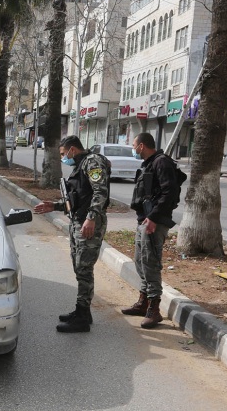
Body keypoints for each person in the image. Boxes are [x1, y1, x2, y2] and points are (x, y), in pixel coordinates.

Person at [33, 135, 110, 333]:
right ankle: (82, 311)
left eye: (63, 154)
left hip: (89, 224)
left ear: (72, 149)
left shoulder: (93, 162)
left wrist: (91, 218)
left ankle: (82, 318)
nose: (63, 158)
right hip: (79, 222)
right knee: (79, 267)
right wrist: (55, 206)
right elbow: (79, 198)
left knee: (84, 268)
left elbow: (100, 192)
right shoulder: (80, 165)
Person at [122, 132, 180, 329]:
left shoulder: (161, 162)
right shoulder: (149, 163)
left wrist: (154, 218)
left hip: (154, 221)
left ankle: (154, 310)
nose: (133, 149)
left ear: (142, 146)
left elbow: (169, 191)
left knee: (150, 262)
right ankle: (143, 301)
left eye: (134, 145)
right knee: (141, 261)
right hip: (145, 220)